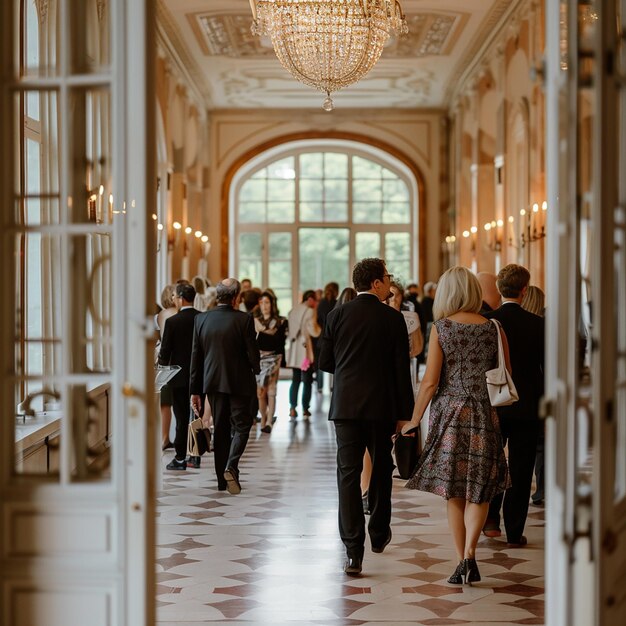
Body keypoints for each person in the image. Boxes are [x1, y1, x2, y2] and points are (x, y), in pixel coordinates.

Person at [401, 266, 510, 586]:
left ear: (447, 293)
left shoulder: (442, 328)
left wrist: (415, 418)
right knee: (479, 488)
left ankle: (460, 556)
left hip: (450, 415)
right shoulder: (493, 326)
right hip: (484, 413)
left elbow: (431, 381)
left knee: (454, 492)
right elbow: (504, 372)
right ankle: (470, 555)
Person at [319, 258, 414, 576]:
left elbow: (325, 362)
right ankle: (379, 531)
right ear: (375, 283)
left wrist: (348, 369)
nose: (390, 282)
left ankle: (352, 550)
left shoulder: (336, 315)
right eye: (387, 278)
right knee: (383, 468)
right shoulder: (392, 318)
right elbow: (402, 369)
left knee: (348, 476)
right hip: (382, 405)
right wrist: (405, 414)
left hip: (345, 406)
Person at [482, 265, 544, 546]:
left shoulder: (487, 321)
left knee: (493, 464)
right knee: (521, 468)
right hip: (527, 404)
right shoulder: (538, 324)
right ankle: (515, 530)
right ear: (524, 290)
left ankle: (491, 521)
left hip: (493, 402)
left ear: (498, 288)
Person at [190, 278, 260, 494]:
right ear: (236, 297)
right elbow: (253, 355)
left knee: (220, 429)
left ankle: (222, 481)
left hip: (212, 382)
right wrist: (256, 368)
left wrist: (195, 391)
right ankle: (232, 465)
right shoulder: (244, 319)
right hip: (239, 382)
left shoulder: (201, 319)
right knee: (242, 426)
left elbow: (196, 357)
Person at [158, 283, 200, 470]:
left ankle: (181, 458)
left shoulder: (172, 322)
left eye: (175, 296)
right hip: (200, 374)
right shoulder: (202, 318)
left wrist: (160, 366)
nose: (173, 299)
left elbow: (165, 352)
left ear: (181, 298)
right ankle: (196, 455)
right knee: (198, 415)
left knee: (182, 417)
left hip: (179, 377)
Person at [521, 285, 546, 506]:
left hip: (505, 396)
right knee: (540, 446)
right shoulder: (542, 326)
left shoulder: (500, 322)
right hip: (535, 394)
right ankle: (542, 490)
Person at [254, 291, 287, 433]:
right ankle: (263, 417)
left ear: (272, 304)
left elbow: (281, 343)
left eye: (266, 302)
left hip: (274, 358)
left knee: (271, 390)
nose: (264, 306)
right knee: (260, 391)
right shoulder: (254, 320)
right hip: (260, 359)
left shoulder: (280, 321)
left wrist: (281, 360)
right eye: (261, 303)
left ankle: (269, 422)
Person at [286, 290, 321, 421]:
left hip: (294, 349)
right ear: (310, 299)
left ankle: (292, 408)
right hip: (305, 350)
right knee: (307, 380)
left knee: (295, 380)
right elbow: (314, 330)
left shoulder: (293, 310)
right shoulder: (310, 311)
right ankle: (305, 408)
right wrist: (320, 329)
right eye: (315, 300)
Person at [156, 284, 177, 451]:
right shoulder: (177, 313)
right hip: (177, 359)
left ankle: (164, 437)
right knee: (180, 401)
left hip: (164, 362)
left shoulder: (160, 315)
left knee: (165, 403)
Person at [315, 282, 339, 393]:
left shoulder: (321, 304)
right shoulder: (337, 304)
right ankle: (333, 386)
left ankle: (319, 386)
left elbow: (318, 320)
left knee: (321, 362)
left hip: (322, 337)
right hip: (334, 337)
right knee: (335, 362)